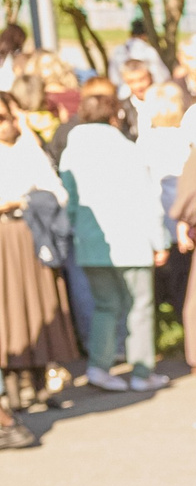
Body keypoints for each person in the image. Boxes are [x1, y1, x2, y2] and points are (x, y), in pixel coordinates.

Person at [59, 86, 170, 390]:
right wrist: (159, 241)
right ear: (114, 115)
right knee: (139, 306)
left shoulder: (72, 151)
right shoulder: (127, 149)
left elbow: (67, 199)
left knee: (105, 305)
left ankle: (99, 367)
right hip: (132, 241)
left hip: (91, 243)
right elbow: (149, 199)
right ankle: (142, 372)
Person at [0, 90, 76, 409]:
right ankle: (14, 388)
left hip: (33, 234)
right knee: (9, 309)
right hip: (3, 240)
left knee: (41, 305)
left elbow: (57, 192)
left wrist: (23, 201)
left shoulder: (30, 151)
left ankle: (44, 380)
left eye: (5, 118)